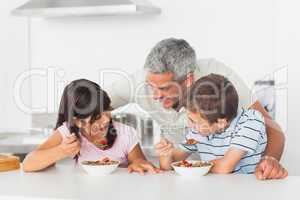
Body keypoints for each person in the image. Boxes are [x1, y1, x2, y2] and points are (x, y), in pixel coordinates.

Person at [106, 38, 287, 179]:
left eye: (164, 88)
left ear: (189, 80)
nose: (155, 95)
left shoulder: (219, 82)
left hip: (229, 175)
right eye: (151, 86)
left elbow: (273, 129)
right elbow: (92, 105)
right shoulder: (140, 81)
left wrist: (269, 159)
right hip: (187, 175)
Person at [156, 74, 285, 176]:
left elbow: (225, 166)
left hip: (247, 190)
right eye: (189, 119)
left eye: (195, 122)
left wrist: (193, 167)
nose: (190, 126)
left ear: (221, 122)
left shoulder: (250, 121)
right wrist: (166, 155)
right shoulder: (199, 131)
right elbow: (171, 164)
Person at [23, 79, 159, 175]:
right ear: (77, 121)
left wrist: (137, 163)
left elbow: (138, 161)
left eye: (107, 110)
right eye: (97, 117)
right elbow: (28, 164)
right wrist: (61, 151)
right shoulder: (68, 132)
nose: (106, 119)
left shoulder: (125, 132)